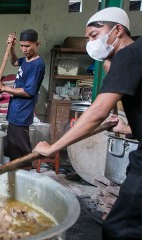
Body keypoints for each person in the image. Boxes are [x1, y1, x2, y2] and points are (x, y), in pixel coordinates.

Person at [34, 7, 141, 239]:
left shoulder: (127, 55)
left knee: (120, 227)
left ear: (118, 30)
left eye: (94, 36)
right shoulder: (137, 53)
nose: (91, 43)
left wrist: (53, 147)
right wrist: (128, 129)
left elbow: (98, 111)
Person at [0, 29, 45, 167]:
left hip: (22, 111)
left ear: (37, 44)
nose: (24, 49)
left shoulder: (37, 65)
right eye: (22, 46)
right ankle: (15, 173)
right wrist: (12, 47)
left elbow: (28, 92)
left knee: (21, 150)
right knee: (13, 148)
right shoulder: (26, 60)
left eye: (27, 46)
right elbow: (14, 61)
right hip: (15, 110)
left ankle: (25, 174)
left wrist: (3, 88)